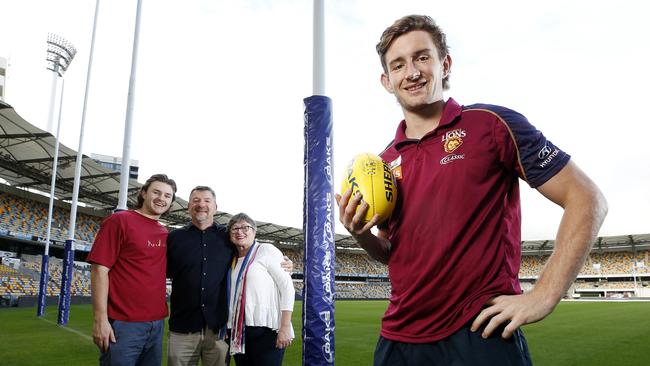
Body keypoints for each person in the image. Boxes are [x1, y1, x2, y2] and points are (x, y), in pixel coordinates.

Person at [336, 15, 608, 366]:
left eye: (422, 57)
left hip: (478, 334)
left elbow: (586, 198)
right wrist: (361, 235)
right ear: (387, 81)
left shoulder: (490, 124)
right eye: (399, 65)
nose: (412, 72)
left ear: (444, 63)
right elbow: (394, 252)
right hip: (398, 341)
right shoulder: (385, 162)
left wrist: (543, 295)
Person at [167, 187, 294, 366]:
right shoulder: (174, 238)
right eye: (196, 200)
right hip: (188, 326)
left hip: (220, 329)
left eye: (207, 200)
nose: (201, 204)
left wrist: (285, 262)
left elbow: (281, 280)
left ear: (215, 206)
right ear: (188, 206)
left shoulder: (227, 238)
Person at [87, 174, 177, 366]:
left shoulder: (164, 233)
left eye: (168, 196)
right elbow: (99, 269)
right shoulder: (120, 220)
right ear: (143, 193)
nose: (162, 198)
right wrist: (100, 319)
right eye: (156, 192)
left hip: (157, 323)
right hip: (123, 323)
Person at [227, 213, 295, 366]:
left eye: (245, 227)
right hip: (238, 331)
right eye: (234, 228)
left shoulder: (266, 250)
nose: (239, 232)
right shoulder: (230, 258)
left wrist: (284, 326)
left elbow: (287, 287)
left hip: (267, 330)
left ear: (255, 231)